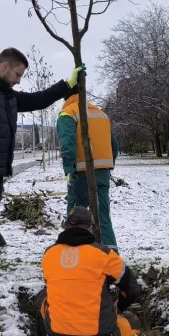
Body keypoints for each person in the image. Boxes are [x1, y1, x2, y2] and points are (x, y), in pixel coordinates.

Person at [0, 47, 84, 334]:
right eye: (17, 74)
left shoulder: (5, 95)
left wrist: (67, 85)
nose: (18, 81)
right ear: (3, 66)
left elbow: (38, 100)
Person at [37, 207, 142, 336]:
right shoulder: (104, 254)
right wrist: (119, 307)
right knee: (131, 327)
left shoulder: (49, 253)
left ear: (66, 227)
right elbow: (132, 289)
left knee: (43, 298)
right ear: (90, 228)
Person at [58, 87, 120, 250]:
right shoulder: (101, 113)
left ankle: (72, 250)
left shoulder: (68, 112)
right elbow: (114, 144)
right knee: (102, 214)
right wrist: (108, 164)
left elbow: (67, 143)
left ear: (66, 98)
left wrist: (69, 170)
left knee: (75, 213)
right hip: (102, 172)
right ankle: (110, 252)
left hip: (79, 172)